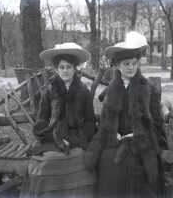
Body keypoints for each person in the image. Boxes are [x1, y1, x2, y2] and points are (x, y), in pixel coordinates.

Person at [85, 31, 168, 198]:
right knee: (108, 161)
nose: (131, 67)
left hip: (141, 141)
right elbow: (106, 121)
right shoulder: (113, 88)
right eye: (126, 64)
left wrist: (137, 135)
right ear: (117, 66)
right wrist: (112, 132)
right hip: (115, 139)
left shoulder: (146, 88)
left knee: (133, 164)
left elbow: (155, 123)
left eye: (134, 63)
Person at [20, 42, 96, 198]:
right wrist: (57, 138)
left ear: (75, 69)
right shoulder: (49, 91)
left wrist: (76, 139)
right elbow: (41, 123)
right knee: (46, 165)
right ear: (56, 69)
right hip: (53, 139)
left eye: (69, 67)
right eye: (62, 67)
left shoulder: (83, 92)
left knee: (82, 162)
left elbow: (90, 121)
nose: (65, 71)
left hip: (77, 140)